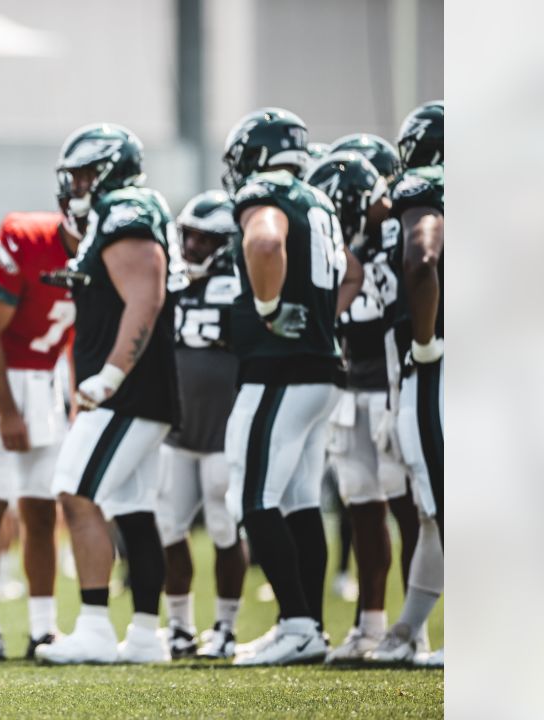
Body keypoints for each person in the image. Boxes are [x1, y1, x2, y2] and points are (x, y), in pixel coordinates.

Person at [218, 108, 363, 666]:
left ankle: (299, 624)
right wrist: (324, 317)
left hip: (280, 367)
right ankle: (308, 628)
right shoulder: (317, 200)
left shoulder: (267, 195)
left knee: (251, 495)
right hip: (320, 368)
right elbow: (349, 272)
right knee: (300, 499)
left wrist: (268, 307)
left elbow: (263, 245)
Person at [36, 124, 179, 665]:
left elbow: (147, 293)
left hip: (129, 390)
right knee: (133, 506)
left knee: (75, 491)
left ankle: (95, 627)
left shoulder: (128, 208)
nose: (74, 184)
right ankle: (145, 636)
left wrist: (112, 374)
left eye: (83, 173)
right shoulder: (114, 214)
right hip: (140, 389)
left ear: (110, 171)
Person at [0, 163, 78, 660]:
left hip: (46, 380)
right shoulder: (26, 238)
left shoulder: (114, 248)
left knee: (41, 510)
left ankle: (43, 629)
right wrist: (8, 411)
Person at [306, 150, 420, 662]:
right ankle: (370, 625)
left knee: (409, 512)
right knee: (361, 510)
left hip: (395, 389)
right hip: (351, 391)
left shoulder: (403, 230)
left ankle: (413, 629)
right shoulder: (342, 245)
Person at [154, 190, 247, 660]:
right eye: (188, 236)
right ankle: (179, 628)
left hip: (222, 431)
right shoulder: (171, 282)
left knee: (223, 525)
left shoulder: (241, 286)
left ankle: (226, 627)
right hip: (177, 429)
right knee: (169, 526)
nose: (191, 248)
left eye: (204, 240)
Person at [368, 100, 445, 667]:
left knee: (449, 503)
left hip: (440, 364)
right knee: (431, 510)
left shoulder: (427, 187)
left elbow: (421, 257)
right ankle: (409, 628)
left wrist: (424, 341)